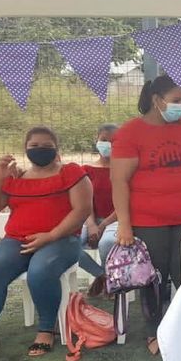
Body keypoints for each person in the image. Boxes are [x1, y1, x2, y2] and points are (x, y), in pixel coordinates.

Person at [0, 127, 92, 361]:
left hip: (62, 239)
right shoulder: (15, 178)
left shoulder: (71, 173)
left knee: (40, 270)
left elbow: (82, 210)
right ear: (25, 149)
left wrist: (50, 236)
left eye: (47, 145)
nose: (40, 150)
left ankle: (46, 328)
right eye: (34, 146)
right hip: (17, 239)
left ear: (56, 148)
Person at [111, 75, 181, 356]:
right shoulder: (131, 132)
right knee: (153, 279)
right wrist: (124, 225)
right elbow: (119, 181)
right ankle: (154, 331)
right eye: (176, 101)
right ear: (156, 100)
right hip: (148, 221)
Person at [78, 124, 119, 296]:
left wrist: (102, 226)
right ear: (96, 140)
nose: (108, 144)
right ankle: (102, 275)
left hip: (117, 220)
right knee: (68, 244)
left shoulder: (124, 170)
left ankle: (109, 281)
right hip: (89, 219)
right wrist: (92, 225)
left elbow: (125, 203)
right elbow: (83, 201)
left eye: (113, 141)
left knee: (106, 242)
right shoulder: (86, 170)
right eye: (104, 140)